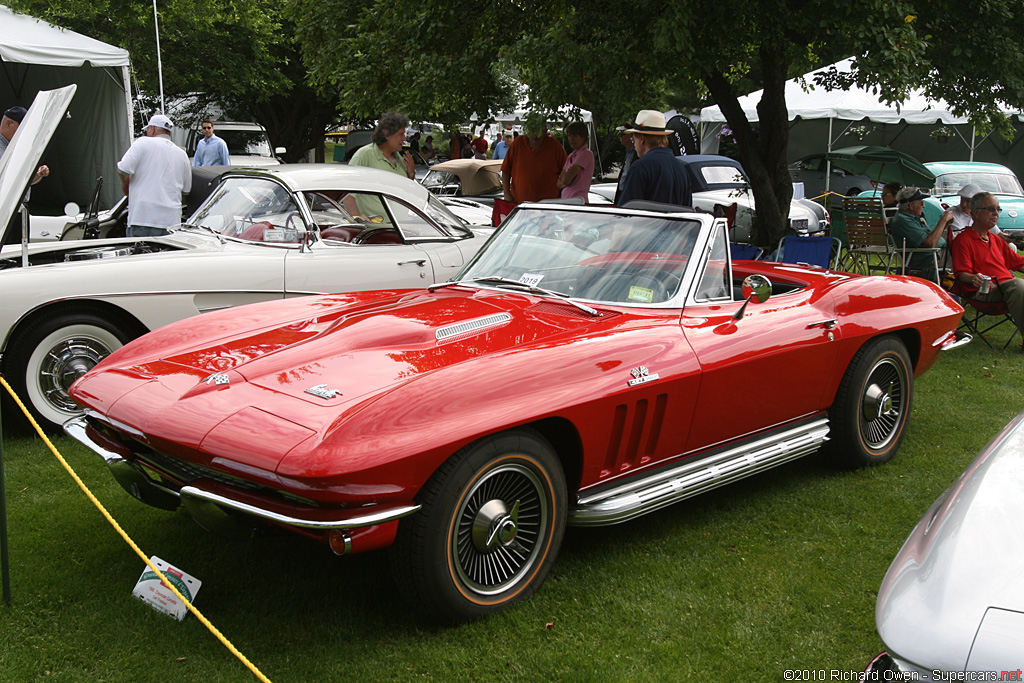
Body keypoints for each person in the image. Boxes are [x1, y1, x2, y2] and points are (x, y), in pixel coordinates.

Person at [951, 191, 1024, 339]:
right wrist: (974, 278)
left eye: (998, 209)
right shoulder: (963, 240)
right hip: (984, 291)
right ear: (975, 213)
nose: (996, 213)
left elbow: (1018, 263)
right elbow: (961, 273)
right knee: (1018, 284)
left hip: (1007, 289)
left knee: (1018, 285)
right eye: (991, 209)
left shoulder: (995, 240)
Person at [117, 113, 192, 237]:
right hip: (171, 222)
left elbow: (123, 169)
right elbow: (186, 190)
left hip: (142, 218)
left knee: (139, 256)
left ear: (152, 129)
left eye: (147, 130)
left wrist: (125, 184)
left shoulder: (143, 142)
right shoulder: (182, 154)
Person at [617, 110, 691, 207]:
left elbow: (626, 211)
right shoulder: (682, 168)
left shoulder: (640, 167)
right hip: (676, 222)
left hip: (647, 222)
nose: (634, 145)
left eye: (634, 139)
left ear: (642, 139)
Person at [501, 114, 566, 203]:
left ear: (545, 131)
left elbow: (565, 172)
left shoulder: (555, 146)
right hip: (519, 203)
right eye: (531, 130)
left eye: (538, 131)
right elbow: (505, 171)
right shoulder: (518, 144)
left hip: (548, 203)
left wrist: (562, 194)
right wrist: (507, 193)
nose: (534, 135)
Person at [889, 186, 950, 279]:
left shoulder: (912, 218)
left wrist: (945, 224)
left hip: (935, 253)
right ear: (911, 206)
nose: (924, 206)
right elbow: (929, 244)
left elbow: (932, 237)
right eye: (921, 203)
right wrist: (943, 220)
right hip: (927, 259)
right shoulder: (904, 221)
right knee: (962, 254)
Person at [348, 111, 415, 179]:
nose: (404, 139)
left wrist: (411, 173)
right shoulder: (364, 155)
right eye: (401, 134)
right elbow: (350, 183)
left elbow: (406, 187)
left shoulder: (399, 157)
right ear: (387, 134)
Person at [557, 121, 594, 200]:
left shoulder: (586, 154)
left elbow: (565, 180)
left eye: (574, 136)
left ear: (583, 137)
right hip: (566, 200)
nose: (571, 139)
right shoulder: (571, 156)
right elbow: (559, 183)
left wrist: (566, 180)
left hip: (577, 201)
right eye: (569, 136)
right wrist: (567, 179)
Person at [613, 121, 637, 205]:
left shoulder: (637, 154)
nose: (620, 136)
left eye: (623, 134)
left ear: (631, 135)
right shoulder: (628, 153)